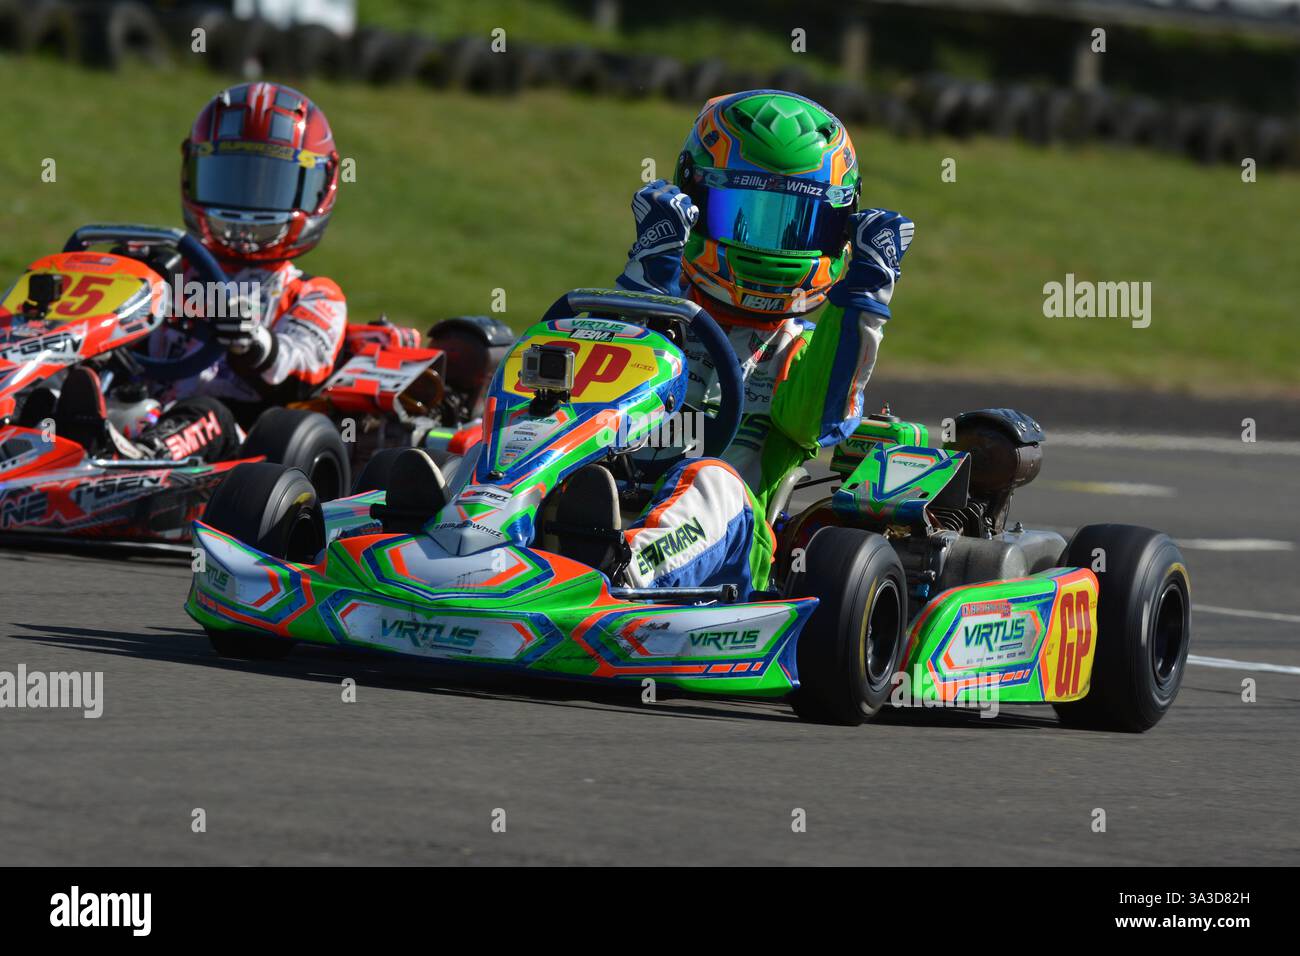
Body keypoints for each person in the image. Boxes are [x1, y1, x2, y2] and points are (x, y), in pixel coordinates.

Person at [610, 89, 915, 596]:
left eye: (795, 227)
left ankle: (623, 575)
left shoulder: (796, 353)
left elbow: (817, 418)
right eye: (742, 215)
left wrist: (864, 298)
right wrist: (650, 272)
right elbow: (602, 381)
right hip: (599, 504)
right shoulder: (650, 322)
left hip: (733, 552)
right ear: (695, 205)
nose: (768, 247)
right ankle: (460, 538)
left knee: (713, 481)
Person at [54, 81, 347, 462]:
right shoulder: (164, 272)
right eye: (230, 182)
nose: (246, 208)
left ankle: (143, 459)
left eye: (268, 187)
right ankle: (37, 430)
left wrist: (252, 343)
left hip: (239, 451)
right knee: (69, 378)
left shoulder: (314, 294)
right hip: (132, 411)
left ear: (319, 187)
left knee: (208, 412)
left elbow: (299, 370)